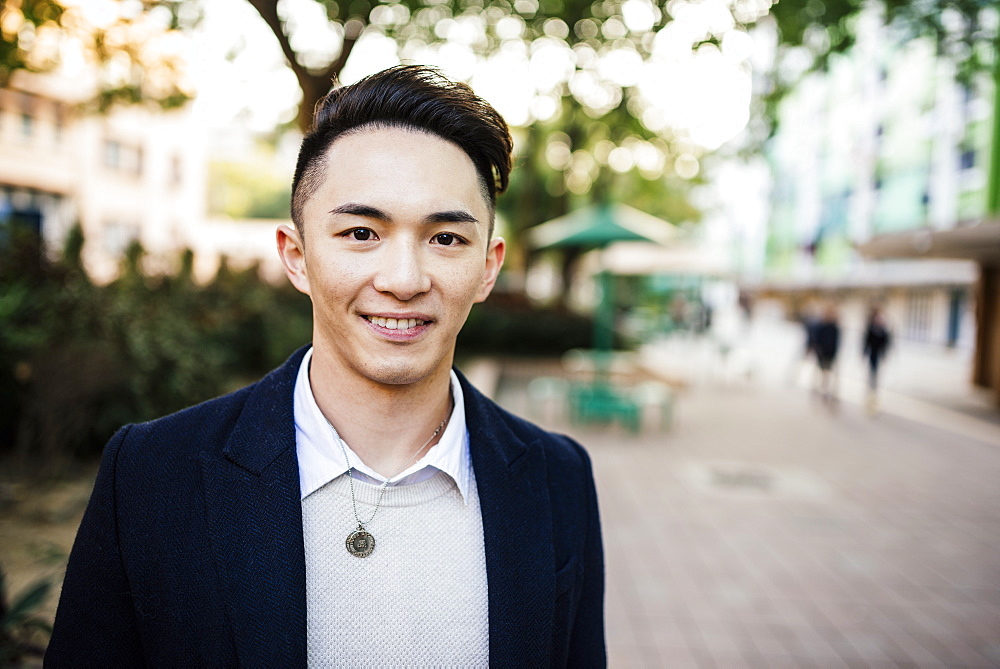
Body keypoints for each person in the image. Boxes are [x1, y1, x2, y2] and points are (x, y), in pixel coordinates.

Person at [46, 66, 605, 667]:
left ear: (487, 268)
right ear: (297, 257)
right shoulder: (153, 475)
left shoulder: (557, 478)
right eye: (361, 232)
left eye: (446, 239)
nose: (403, 280)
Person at [863, 306, 891, 410]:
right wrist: (864, 353)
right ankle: (871, 391)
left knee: (876, 374)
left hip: (878, 354)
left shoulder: (883, 330)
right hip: (873, 354)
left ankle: (874, 392)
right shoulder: (871, 328)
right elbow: (866, 341)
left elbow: (886, 343)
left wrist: (885, 354)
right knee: (872, 373)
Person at [811, 304, 840, 403]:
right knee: (821, 371)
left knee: (828, 372)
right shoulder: (821, 326)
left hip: (831, 353)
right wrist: (819, 351)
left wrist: (835, 352)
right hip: (822, 353)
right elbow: (817, 339)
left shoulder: (834, 327)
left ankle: (826, 389)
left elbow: (836, 341)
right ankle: (820, 387)